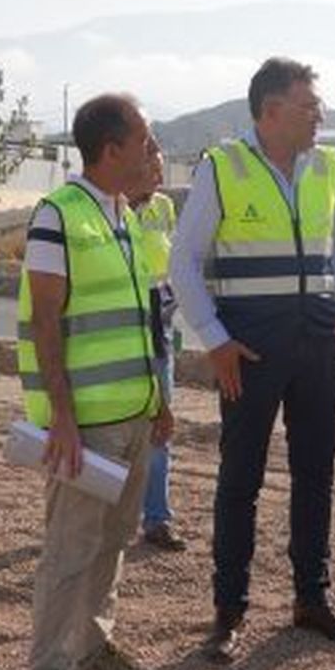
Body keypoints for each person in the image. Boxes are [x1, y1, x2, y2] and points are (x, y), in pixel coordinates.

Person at [168, 56, 335, 663]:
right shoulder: (223, 166)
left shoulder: (327, 166)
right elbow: (183, 262)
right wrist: (214, 338)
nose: (320, 115)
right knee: (241, 480)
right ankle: (228, 612)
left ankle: (312, 598)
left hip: (318, 341)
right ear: (272, 111)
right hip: (249, 347)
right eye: (310, 106)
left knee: (316, 475)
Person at [17, 93, 177, 670]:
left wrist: (158, 399)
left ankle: (92, 655)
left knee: (110, 545)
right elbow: (45, 322)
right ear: (112, 149)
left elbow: (142, 318)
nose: (153, 151)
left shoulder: (124, 216)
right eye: (145, 140)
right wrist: (62, 417)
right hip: (84, 426)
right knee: (70, 553)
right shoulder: (58, 215)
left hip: (133, 414)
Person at [130, 143, 187, 551]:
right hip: (121, 321)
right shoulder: (110, 208)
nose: (160, 177)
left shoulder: (164, 207)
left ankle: (156, 519)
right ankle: (111, 517)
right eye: (153, 168)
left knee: (160, 425)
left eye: (161, 169)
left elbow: (175, 259)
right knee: (118, 430)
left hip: (159, 322)